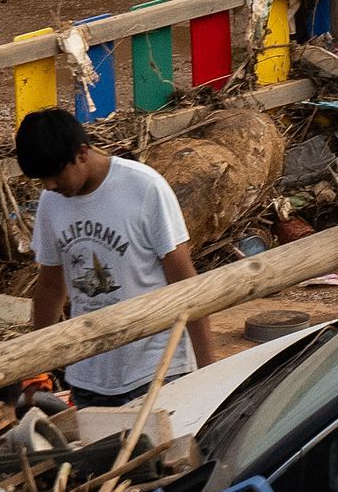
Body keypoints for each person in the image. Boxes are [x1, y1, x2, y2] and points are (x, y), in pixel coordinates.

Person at [13, 107, 219, 420]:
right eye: (43, 180)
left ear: (82, 153)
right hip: (89, 374)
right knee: (101, 464)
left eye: (55, 175)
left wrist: (209, 373)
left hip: (156, 368)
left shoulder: (144, 188)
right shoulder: (51, 203)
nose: (50, 186)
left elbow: (185, 283)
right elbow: (51, 287)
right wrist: (34, 368)